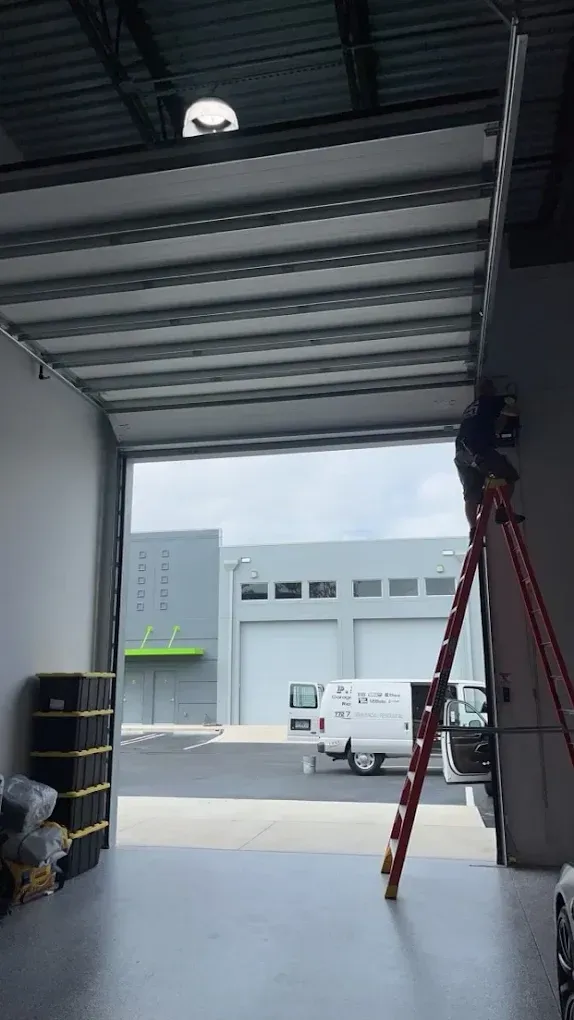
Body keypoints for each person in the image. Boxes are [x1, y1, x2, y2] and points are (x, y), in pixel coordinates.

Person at [455, 378, 525, 540]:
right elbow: (514, 412)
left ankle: (473, 531)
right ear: (490, 390)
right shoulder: (489, 401)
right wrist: (509, 403)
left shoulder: (471, 408)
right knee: (509, 476)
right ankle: (502, 511)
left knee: (471, 494)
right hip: (479, 449)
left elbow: (490, 426)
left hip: (462, 453)